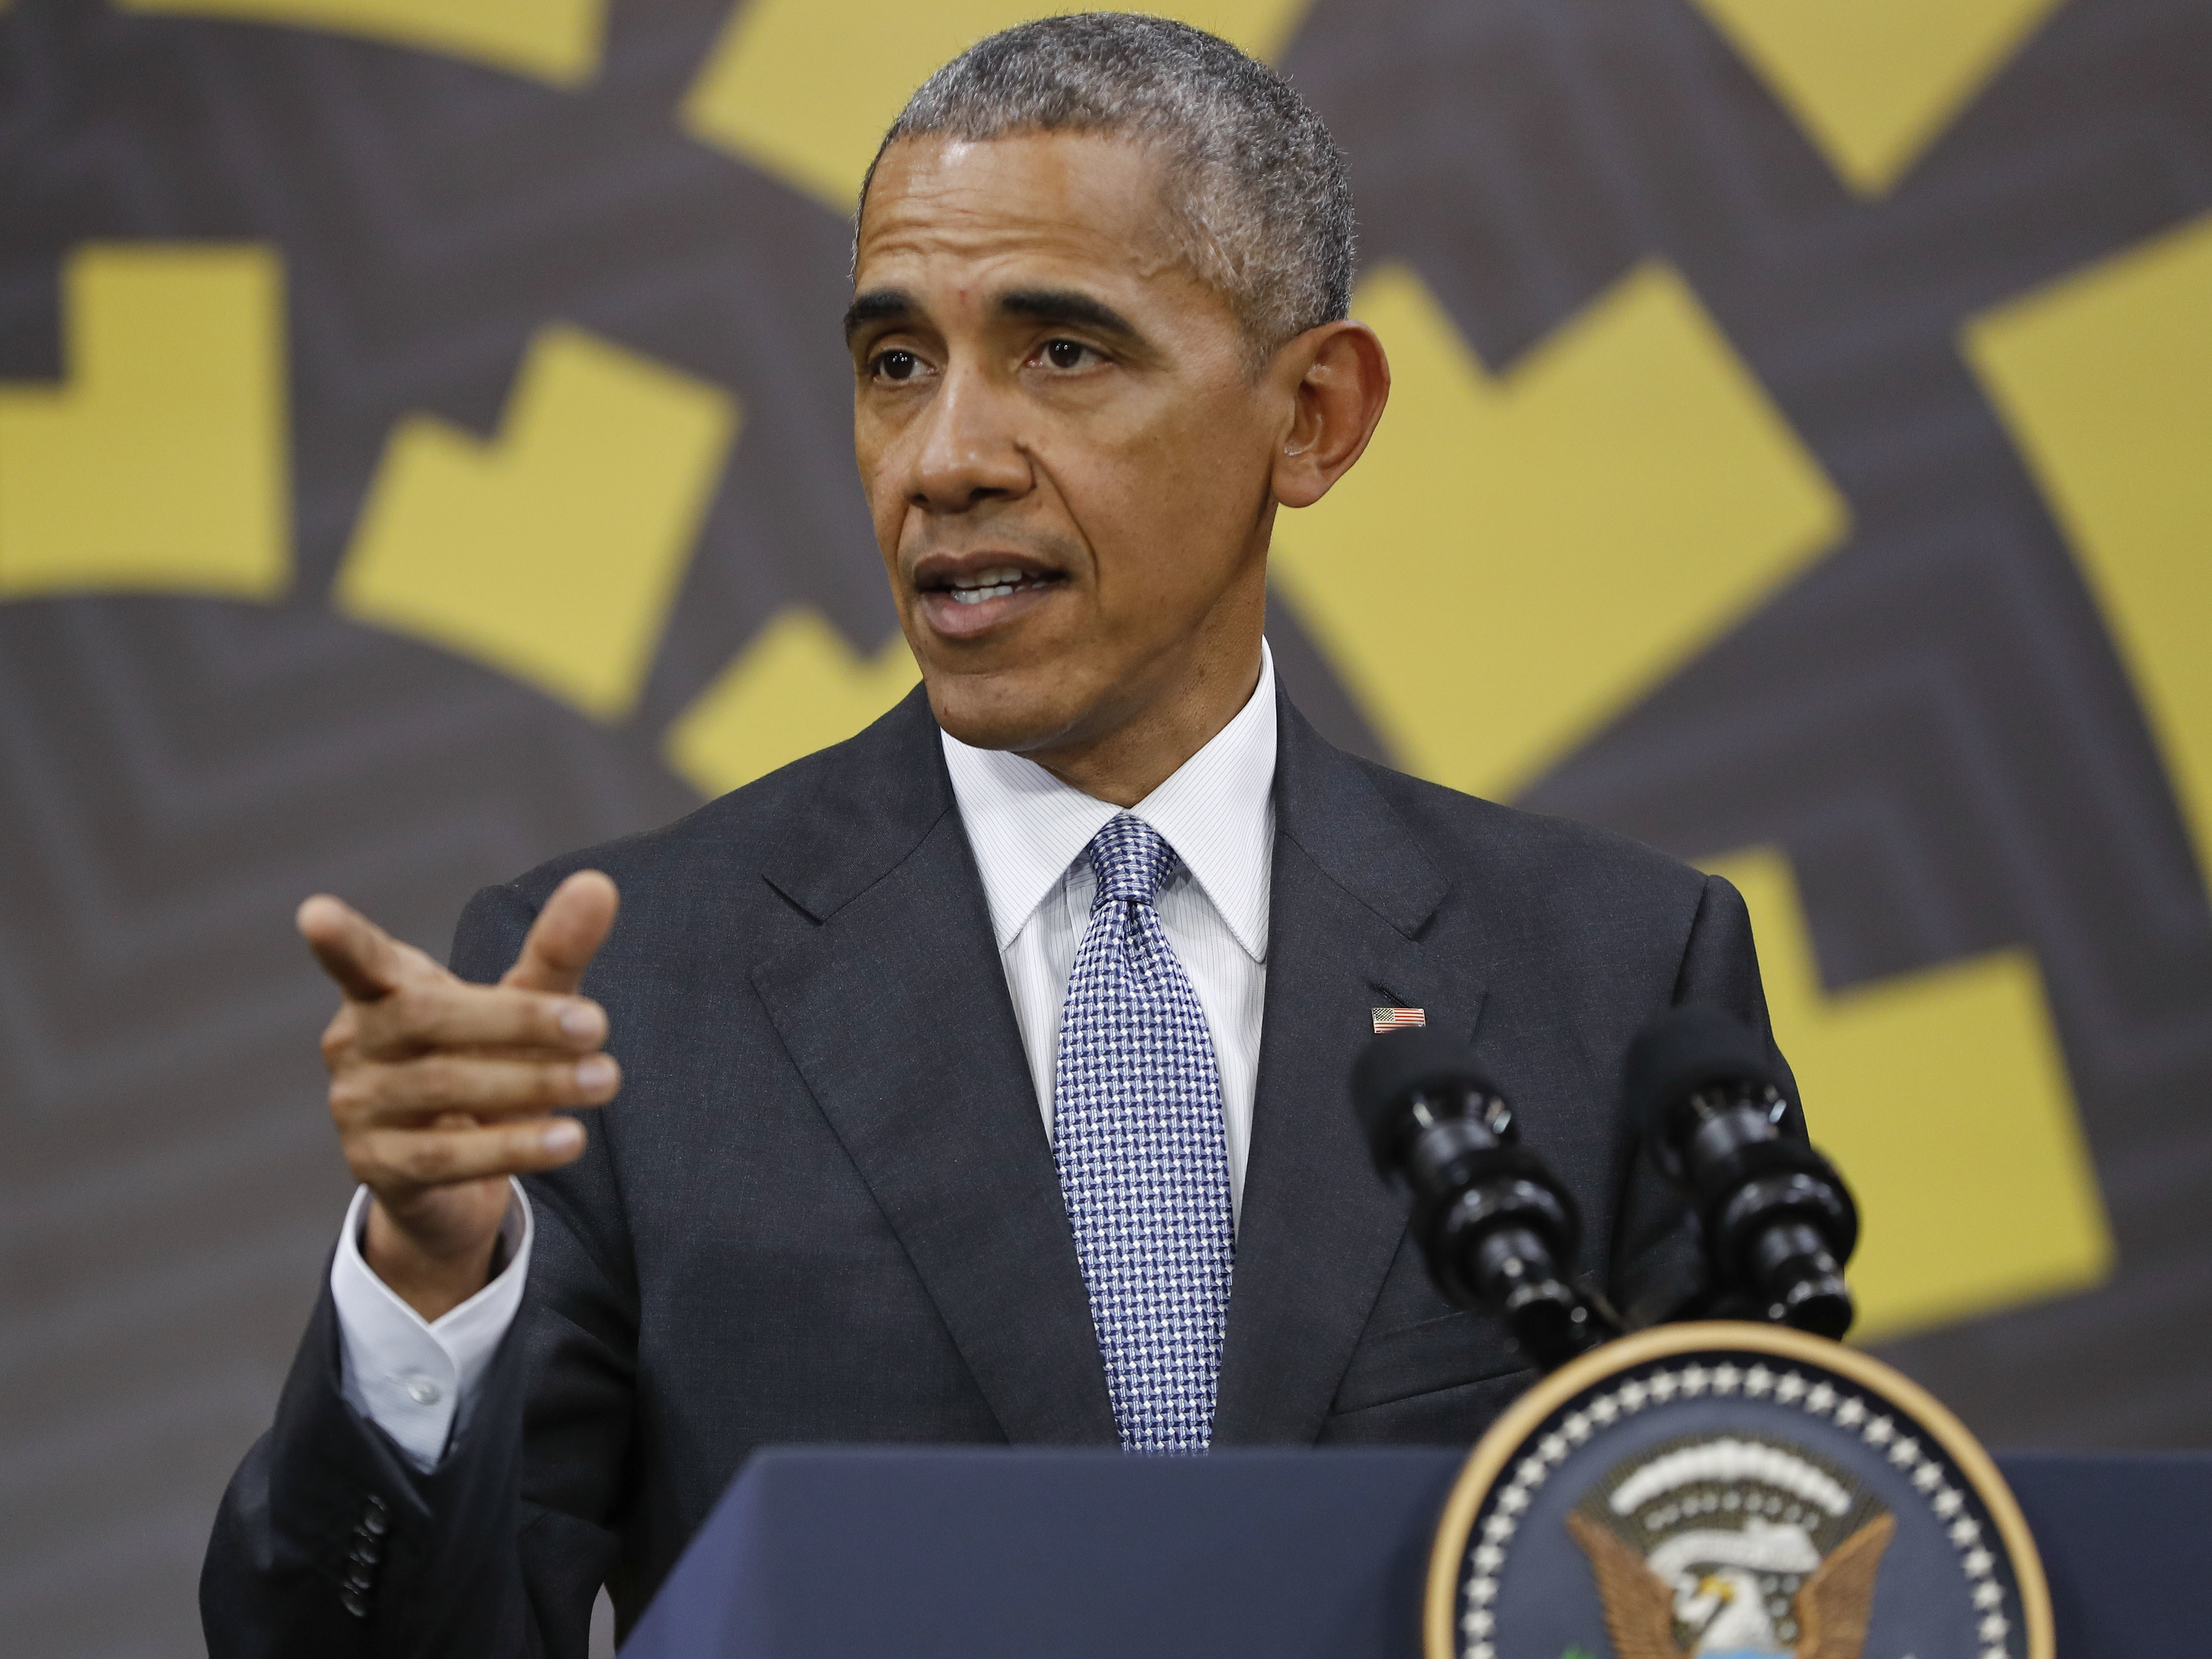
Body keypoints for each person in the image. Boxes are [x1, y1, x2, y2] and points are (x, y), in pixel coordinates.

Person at [201, 15, 1798, 1656]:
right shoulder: (632, 1004)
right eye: (897, 363)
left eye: (1063, 353)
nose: (947, 458)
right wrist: (424, 1284)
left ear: (1313, 414)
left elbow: (1761, 1584)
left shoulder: (1613, 981)